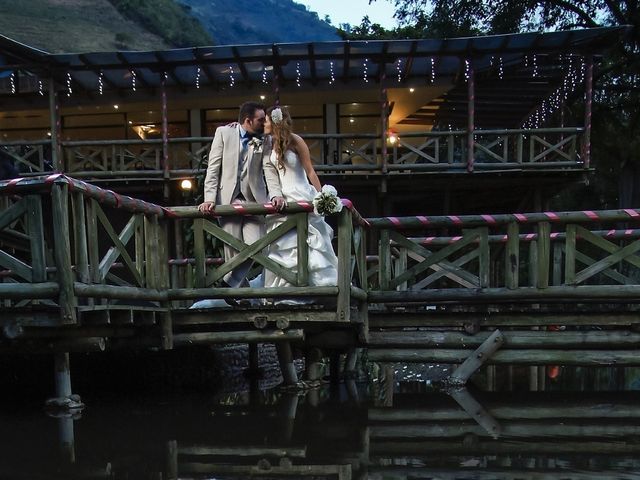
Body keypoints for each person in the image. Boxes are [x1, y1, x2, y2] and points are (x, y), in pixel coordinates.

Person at [198, 102, 286, 301]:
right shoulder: (224, 133)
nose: (265, 123)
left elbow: (268, 171)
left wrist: (275, 195)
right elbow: (213, 169)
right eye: (260, 120)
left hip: (254, 200)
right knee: (233, 250)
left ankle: (228, 285)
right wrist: (209, 199)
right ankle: (240, 299)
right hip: (227, 200)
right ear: (247, 120)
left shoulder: (265, 140)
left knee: (258, 245)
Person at [262, 106, 338, 299]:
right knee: (284, 243)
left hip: (301, 192)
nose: (264, 123)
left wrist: (322, 196)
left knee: (310, 241)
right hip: (283, 197)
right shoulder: (268, 143)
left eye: (267, 120)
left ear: (276, 121)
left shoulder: (296, 141)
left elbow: (310, 170)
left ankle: (316, 288)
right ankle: (286, 291)